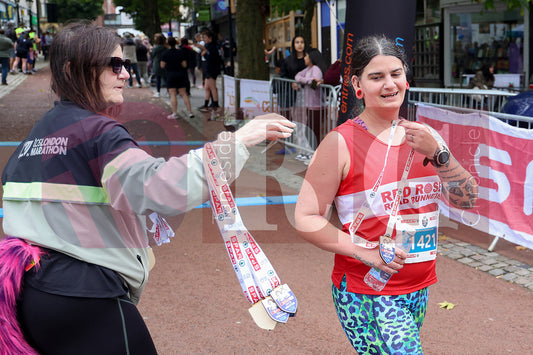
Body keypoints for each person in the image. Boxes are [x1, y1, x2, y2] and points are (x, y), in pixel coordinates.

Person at [0, 21, 295, 354]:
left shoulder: (36, 136)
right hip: (88, 296)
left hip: (30, 292)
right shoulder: (99, 131)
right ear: (73, 70)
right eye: (113, 65)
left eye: (124, 63)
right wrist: (240, 139)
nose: (125, 73)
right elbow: (162, 188)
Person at [294, 35, 478, 354]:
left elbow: (467, 199)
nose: (389, 84)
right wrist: (364, 252)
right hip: (368, 291)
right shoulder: (340, 143)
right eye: (376, 77)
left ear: (406, 78)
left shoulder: (426, 137)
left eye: (395, 74)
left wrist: (440, 156)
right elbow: (305, 217)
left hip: (419, 286)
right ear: (357, 85)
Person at [293, 48, 326, 164]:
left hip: (316, 105)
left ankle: (315, 155)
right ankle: (310, 153)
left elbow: (314, 83)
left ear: (312, 58)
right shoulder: (308, 69)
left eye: (306, 56)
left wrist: (305, 81)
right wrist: (305, 80)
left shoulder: (316, 69)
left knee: (313, 131)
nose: (304, 58)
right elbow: (297, 76)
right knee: (310, 130)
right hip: (309, 105)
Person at [275, 35, 307, 155]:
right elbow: (283, 75)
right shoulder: (288, 60)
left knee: (303, 120)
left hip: (305, 94)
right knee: (287, 119)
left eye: (302, 42)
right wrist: (291, 83)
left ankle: (305, 146)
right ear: (293, 45)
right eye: (297, 42)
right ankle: (288, 145)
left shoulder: (308, 59)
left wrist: (301, 83)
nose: (299, 44)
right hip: (289, 94)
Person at [160, 36, 194, 119]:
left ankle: (174, 113)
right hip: (181, 74)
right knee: (184, 93)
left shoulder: (165, 53)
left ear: (167, 43)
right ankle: (190, 112)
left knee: (173, 94)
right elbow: (184, 64)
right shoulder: (180, 52)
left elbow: (162, 65)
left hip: (171, 74)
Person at [197, 30, 221, 111]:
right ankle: (206, 104)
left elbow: (212, 58)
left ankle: (215, 103)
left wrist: (205, 51)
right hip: (207, 68)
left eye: (205, 37)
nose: (204, 39)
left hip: (211, 69)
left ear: (209, 38)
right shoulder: (208, 46)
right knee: (207, 87)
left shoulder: (212, 46)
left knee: (212, 87)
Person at [150, 33, 167, 97]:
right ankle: (168, 91)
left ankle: (158, 92)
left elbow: (152, 56)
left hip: (157, 64)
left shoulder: (155, 48)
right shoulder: (165, 48)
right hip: (165, 64)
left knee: (158, 78)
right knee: (166, 78)